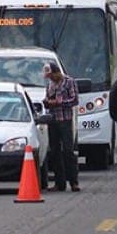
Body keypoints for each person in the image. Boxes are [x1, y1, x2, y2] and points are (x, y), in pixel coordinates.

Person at [42, 62, 80, 192]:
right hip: (53, 121)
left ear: (56, 72)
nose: (50, 78)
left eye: (51, 75)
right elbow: (47, 99)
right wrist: (48, 102)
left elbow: (75, 100)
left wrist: (60, 103)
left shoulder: (69, 82)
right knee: (55, 152)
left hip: (65, 120)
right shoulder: (50, 85)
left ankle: (73, 181)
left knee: (68, 151)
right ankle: (60, 183)